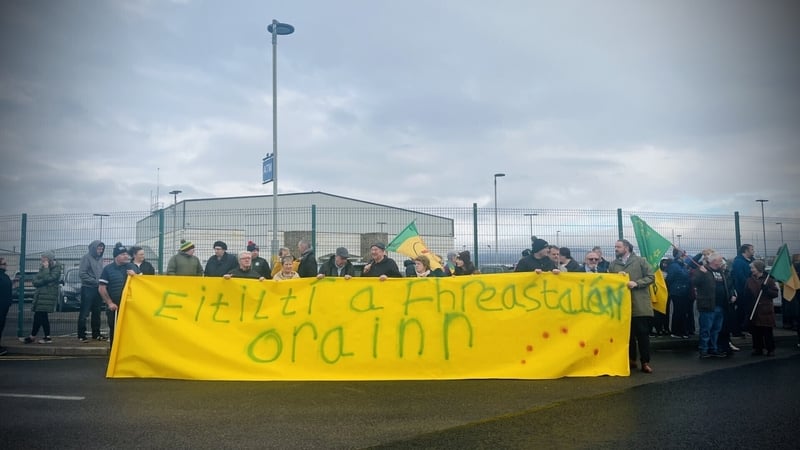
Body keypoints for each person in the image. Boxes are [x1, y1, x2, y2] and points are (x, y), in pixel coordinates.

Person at [608, 239, 655, 373]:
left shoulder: (641, 261)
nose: (615, 249)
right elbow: (608, 282)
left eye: (618, 246)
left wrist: (637, 283)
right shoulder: (613, 265)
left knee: (642, 335)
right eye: (615, 246)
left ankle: (645, 362)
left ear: (627, 247)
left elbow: (651, 277)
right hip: (621, 306)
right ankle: (631, 360)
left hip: (639, 305)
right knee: (627, 335)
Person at [692, 252, 735, 359]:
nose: (721, 262)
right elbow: (694, 282)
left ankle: (713, 348)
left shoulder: (721, 272)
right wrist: (702, 273)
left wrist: (731, 295)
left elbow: (726, 285)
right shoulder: (703, 270)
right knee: (706, 329)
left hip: (721, 305)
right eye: (720, 260)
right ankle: (704, 349)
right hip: (708, 305)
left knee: (716, 329)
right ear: (713, 261)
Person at [99, 243, 139, 344]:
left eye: (126, 254)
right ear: (116, 256)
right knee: (115, 330)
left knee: (131, 331)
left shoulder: (132, 267)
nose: (126, 256)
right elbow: (102, 288)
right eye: (122, 254)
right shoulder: (108, 269)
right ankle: (114, 354)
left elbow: (143, 283)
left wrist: (136, 276)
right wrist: (109, 303)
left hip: (130, 306)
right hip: (115, 307)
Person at [21, 251, 62, 344]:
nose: (42, 259)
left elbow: (49, 278)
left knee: (40, 315)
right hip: (40, 295)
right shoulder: (43, 268)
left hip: (48, 296)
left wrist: (46, 269)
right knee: (40, 316)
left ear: (48, 259)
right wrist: (43, 280)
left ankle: (38, 337)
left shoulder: (56, 269)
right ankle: (39, 336)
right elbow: (35, 281)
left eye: (43, 258)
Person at [743, 260, 778, 356]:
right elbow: (746, 293)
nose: (751, 270)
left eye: (752, 268)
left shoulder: (769, 280)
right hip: (754, 309)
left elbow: (775, 293)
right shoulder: (749, 280)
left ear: (758, 268)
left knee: (767, 331)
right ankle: (757, 348)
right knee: (756, 331)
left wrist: (767, 290)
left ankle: (770, 349)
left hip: (765, 309)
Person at [78, 240, 106, 342]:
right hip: (88, 288)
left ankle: (96, 334)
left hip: (98, 289)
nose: (101, 250)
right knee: (84, 313)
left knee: (97, 312)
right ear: (94, 248)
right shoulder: (86, 258)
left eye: (102, 249)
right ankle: (81, 335)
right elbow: (82, 274)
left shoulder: (100, 259)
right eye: (99, 248)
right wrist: (95, 282)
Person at [666, 248, 693, 339]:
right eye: (683, 254)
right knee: (678, 311)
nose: (685, 255)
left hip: (684, 291)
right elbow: (670, 279)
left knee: (683, 312)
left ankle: (682, 330)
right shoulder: (674, 266)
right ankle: (676, 331)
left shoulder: (682, 265)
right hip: (677, 292)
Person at [730, 244, 755, 337]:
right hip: (741, 291)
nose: (753, 251)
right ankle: (736, 330)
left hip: (749, 291)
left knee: (747, 310)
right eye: (751, 249)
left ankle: (746, 328)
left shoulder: (752, 261)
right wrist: (750, 286)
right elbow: (740, 277)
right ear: (745, 251)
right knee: (740, 311)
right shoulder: (739, 262)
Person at [0, 257, 12, 355]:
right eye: (4, 264)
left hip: (4, 305)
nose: (6, 265)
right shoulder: (2, 276)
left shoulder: (5, 276)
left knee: (1, 325)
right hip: (1, 305)